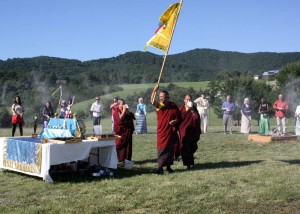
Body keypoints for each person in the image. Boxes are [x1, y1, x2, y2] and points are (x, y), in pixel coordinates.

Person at [151, 84, 181, 174]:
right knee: (162, 148)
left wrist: (175, 121)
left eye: (162, 97)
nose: (160, 98)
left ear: (167, 97)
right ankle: (160, 168)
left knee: (170, 148)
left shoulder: (173, 105)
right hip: (162, 130)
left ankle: (168, 167)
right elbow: (152, 101)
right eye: (159, 97)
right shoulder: (160, 105)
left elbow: (179, 117)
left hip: (170, 130)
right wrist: (154, 90)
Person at [178, 95, 201, 169]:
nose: (188, 101)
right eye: (187, 99)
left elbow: (197, 118)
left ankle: (190, 162)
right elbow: (178, 118)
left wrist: (192, 110)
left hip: (192, 130)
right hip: (183, 130)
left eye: (190, 99)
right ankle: (187, 164)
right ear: (184, 100)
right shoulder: (181, 108)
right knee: (184, 146)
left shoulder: (193, 108)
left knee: (191, 146)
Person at [112, 99, 135, 164]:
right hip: (121, 131)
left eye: (124, 104)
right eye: (122, 104)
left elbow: (130, 117)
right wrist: (124, 110)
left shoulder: (125, 110)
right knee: (119, 144)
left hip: (127, 130)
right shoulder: (116, 111)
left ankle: (127, 159)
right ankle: (119, 158)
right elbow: (120, 119)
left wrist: (126, 111)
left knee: (127, 145)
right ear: (119, 104)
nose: (124, 105)